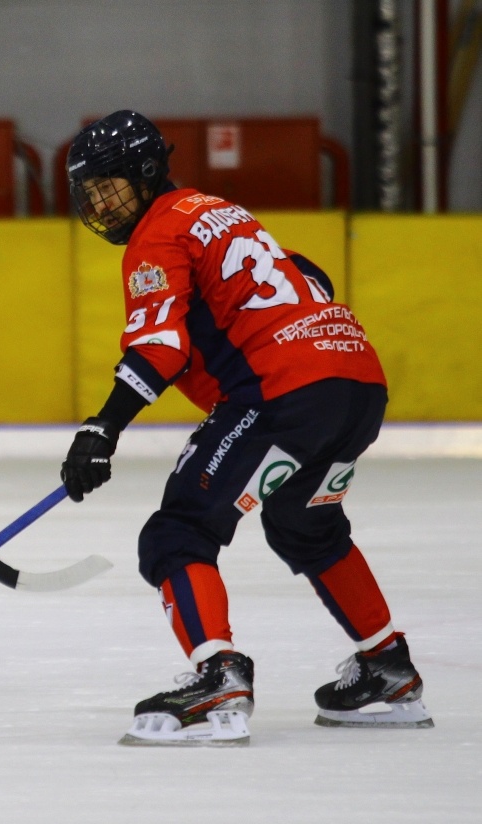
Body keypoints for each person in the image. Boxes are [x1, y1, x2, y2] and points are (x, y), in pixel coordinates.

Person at [60, 110, 432, 745]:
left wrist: (102, 429)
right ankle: (386, 665)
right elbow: (309, 275)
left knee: (178, 533)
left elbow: (159, 348)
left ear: (148, 174)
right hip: (356, 382)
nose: (99, 202)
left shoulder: (157, 232)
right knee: (305, 526)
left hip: (283, 392)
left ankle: (218, 676)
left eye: (109, 184)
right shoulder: (217, 210)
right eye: (89, 190)